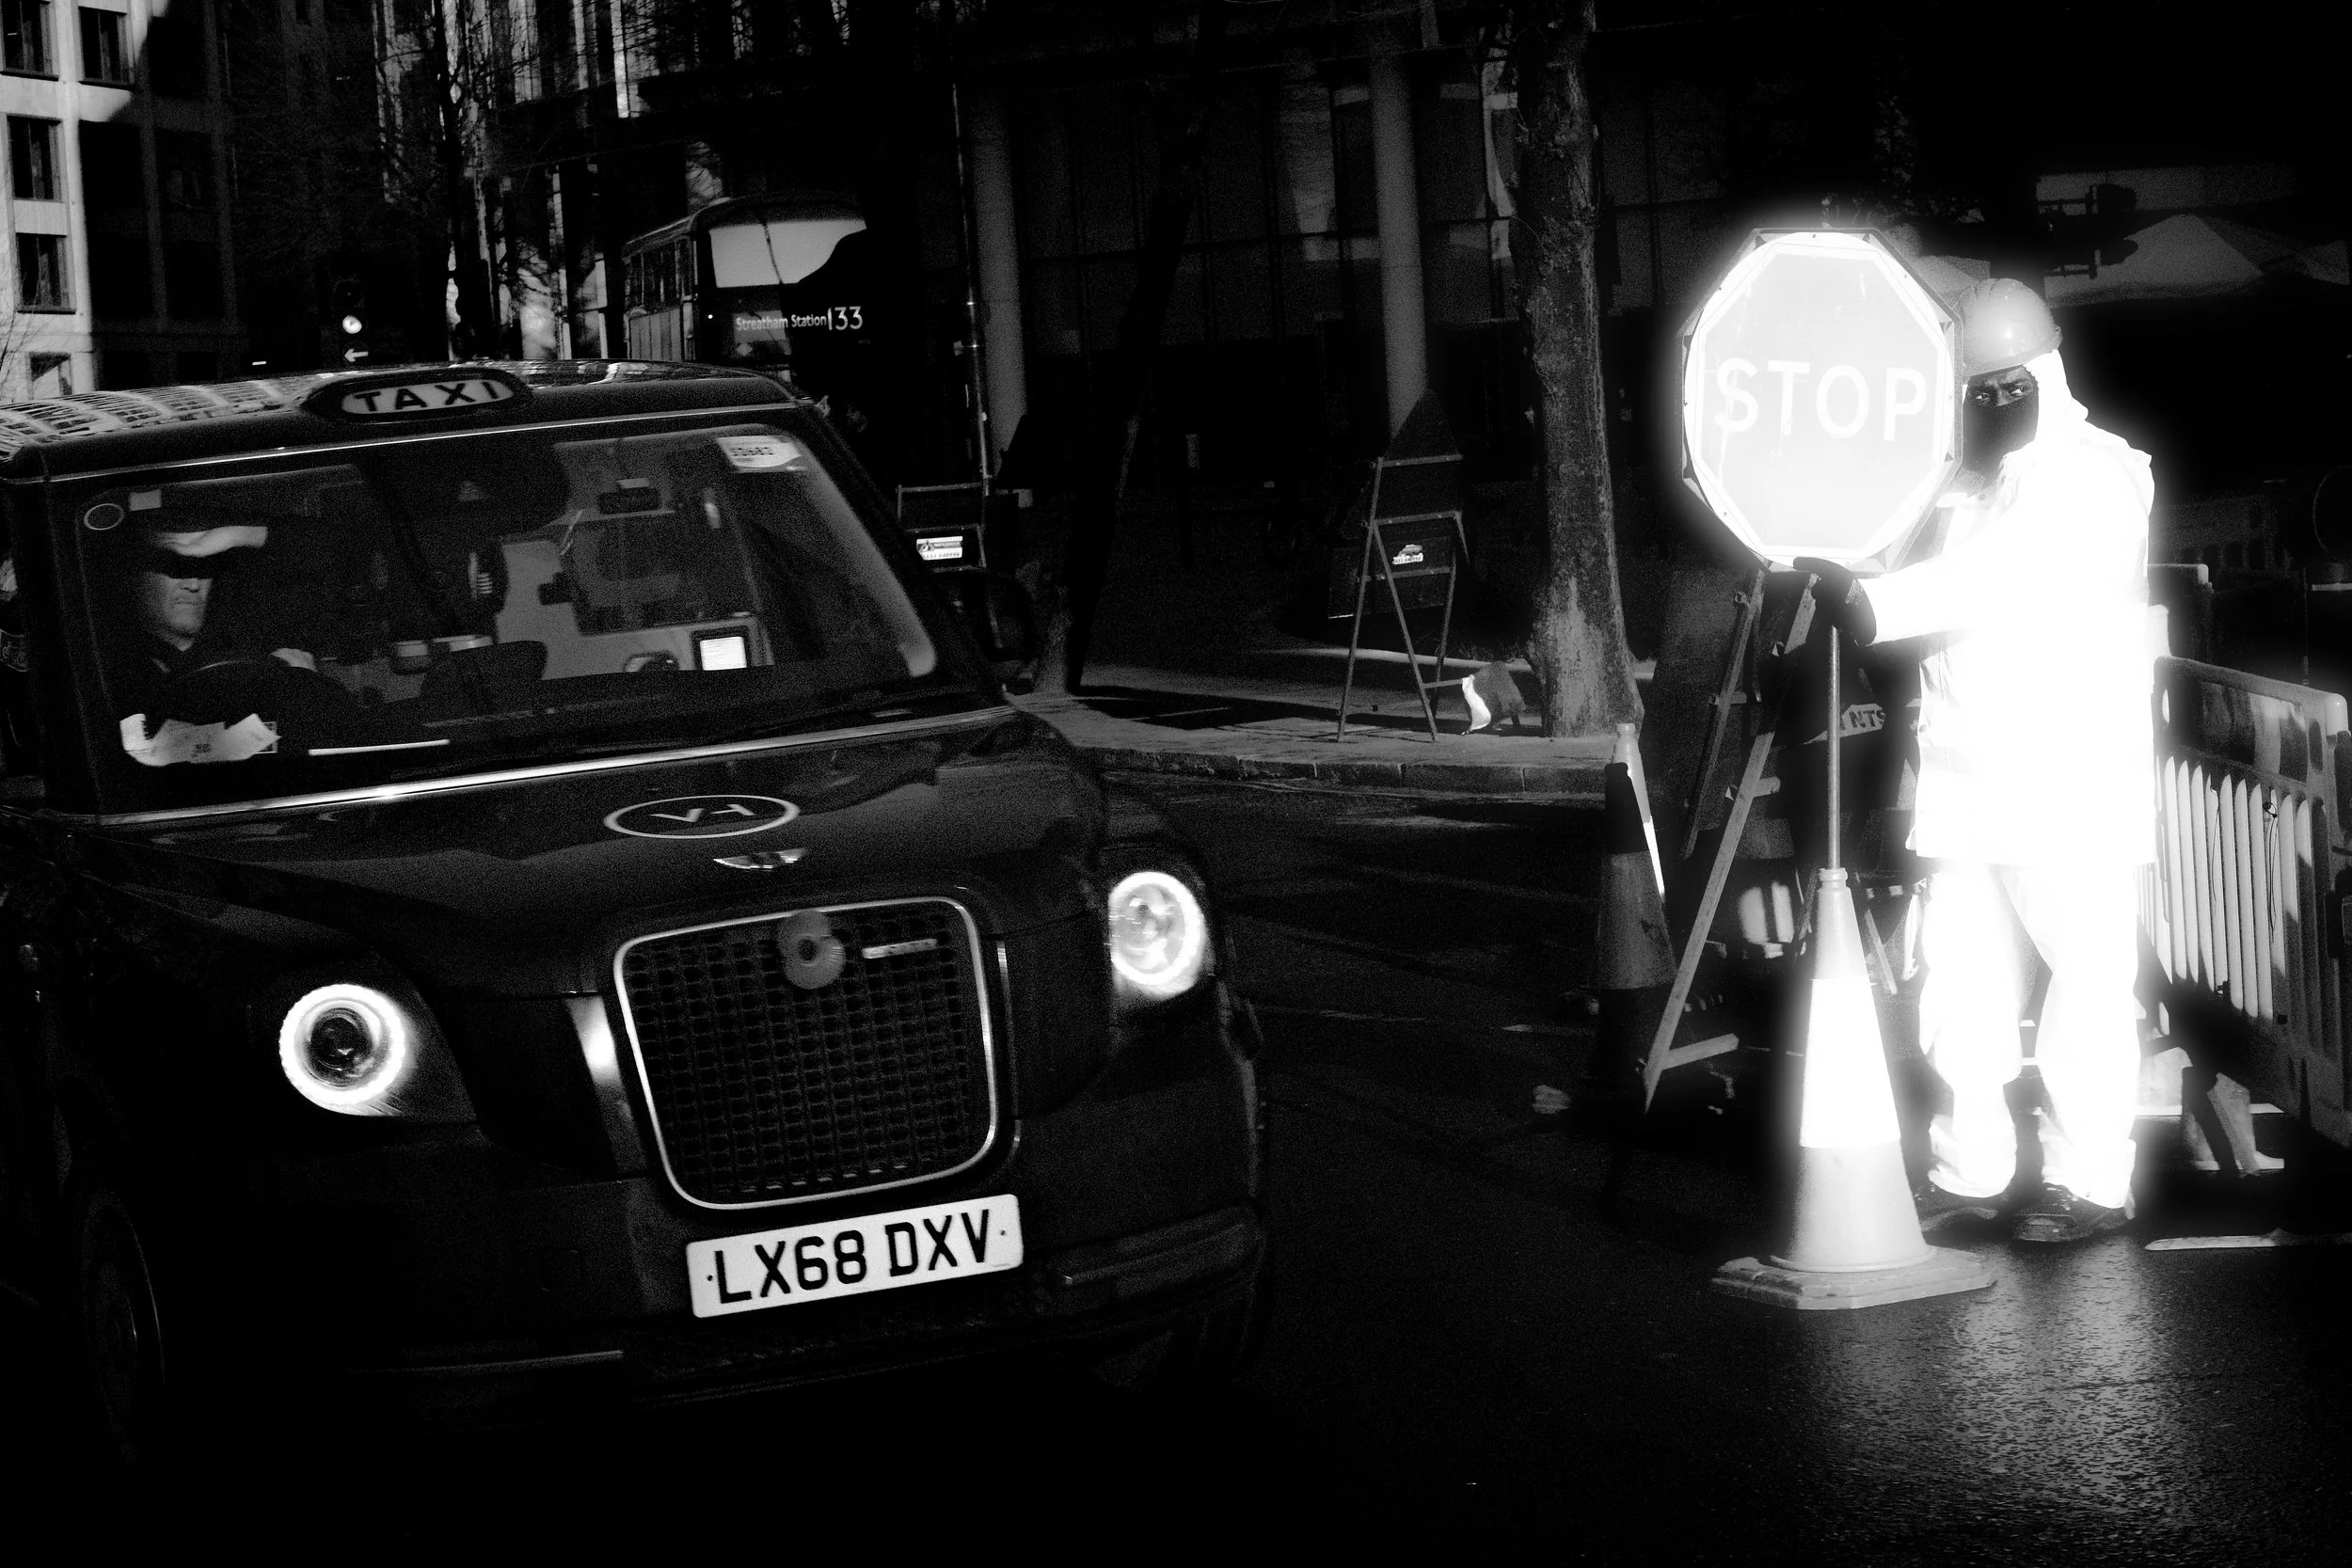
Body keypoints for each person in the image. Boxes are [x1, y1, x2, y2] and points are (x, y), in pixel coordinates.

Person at [1800, 277, 2156, 1244]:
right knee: (1958, 987)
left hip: (2065, 781)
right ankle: (1974, 1167)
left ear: (2043, 372)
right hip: (1961, 783)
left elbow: (2007, 575)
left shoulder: (2097, 473)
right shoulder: (1965, 484)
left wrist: (1876, 602)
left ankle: (2090, 1180)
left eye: (2004, 385)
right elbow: (1915, 567)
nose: (1988, 402)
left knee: (2084, 982)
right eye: (1975, 386)